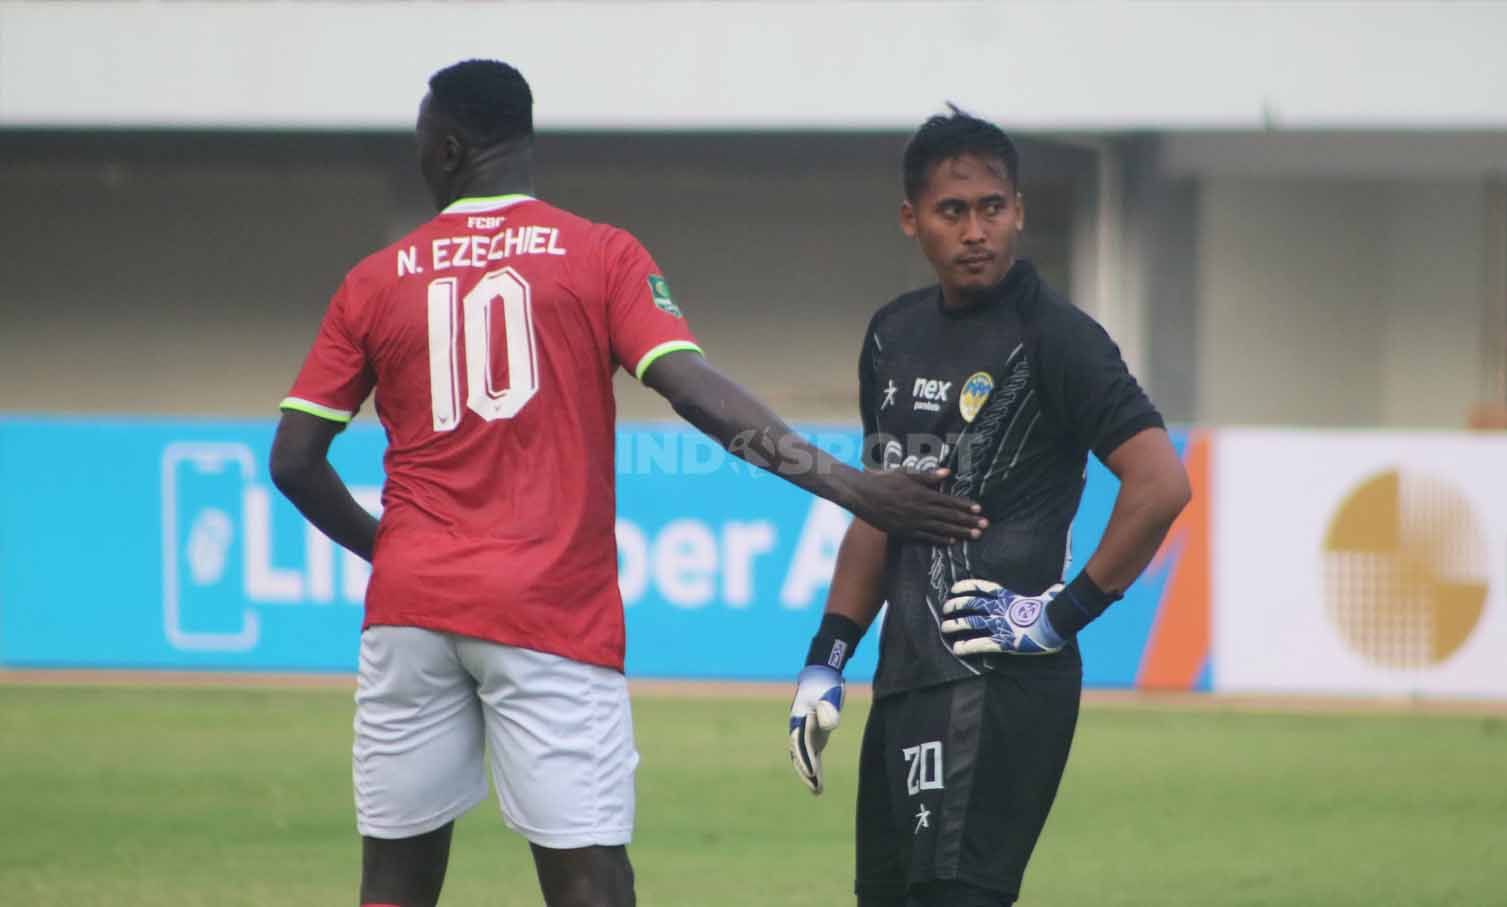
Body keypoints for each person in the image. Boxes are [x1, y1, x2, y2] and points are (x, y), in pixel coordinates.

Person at [268, 60, 987, 907]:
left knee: (393, 878)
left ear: (451, 149)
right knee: (589, 879)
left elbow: (293, 459)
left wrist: (393, 548)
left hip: (410, 610)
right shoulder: (597, 253)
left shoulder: (375, 278)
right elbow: (691, 389)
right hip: (548, 611)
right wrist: (851, 487)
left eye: (424, 143)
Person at [786, 108, 1191, 906]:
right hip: (903, 679)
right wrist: (825, 661)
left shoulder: (1057, 337)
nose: (977, 230)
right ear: (912, 219)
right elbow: (878, 508)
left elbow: (1160, 484)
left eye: (993, 207)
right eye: (953, 210)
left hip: (1000, 684)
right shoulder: (891, 335)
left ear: (1019, 210)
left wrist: (1057, 616)